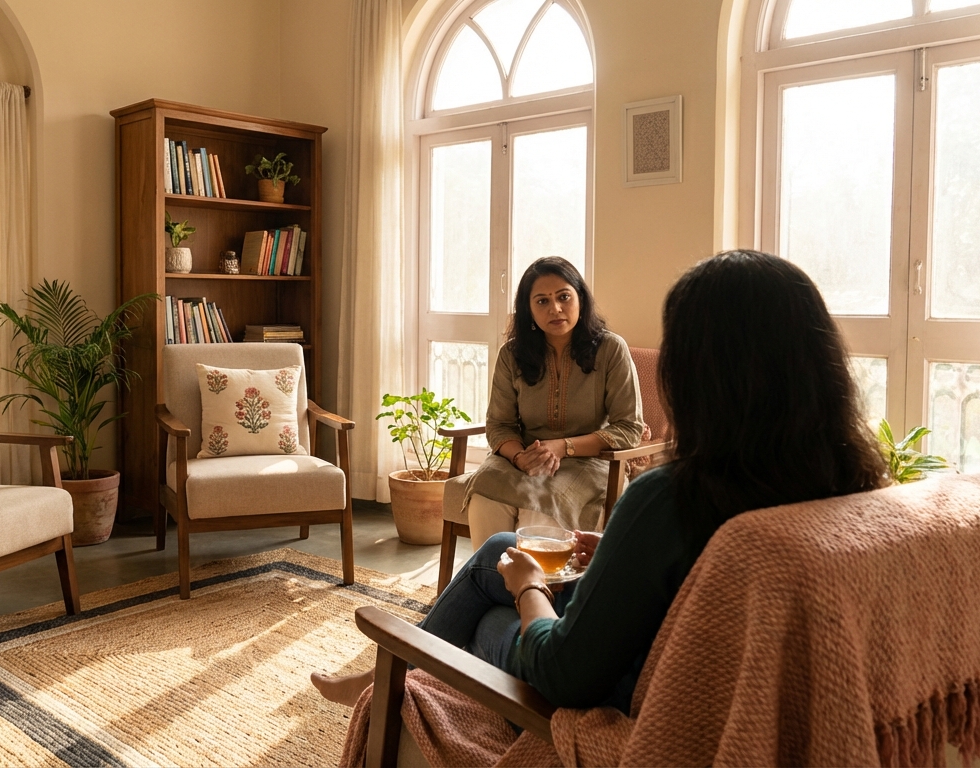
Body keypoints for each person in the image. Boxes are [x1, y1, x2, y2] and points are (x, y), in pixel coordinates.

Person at [312, 250, 887, 712]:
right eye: (542, 300)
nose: (555, 307)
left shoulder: (669, 498)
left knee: (489, 615)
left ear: (699, 375)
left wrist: (529, 590)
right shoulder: (859, 490)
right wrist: (611, 546)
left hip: (627, 687)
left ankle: (400, 675)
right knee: (496, 549)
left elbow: (564, 673)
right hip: (675, 650)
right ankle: (390, 671)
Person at [462, 256, 645, 546]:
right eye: (542, 301)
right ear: (528, 309)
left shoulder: (611, 349)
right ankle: (489, 575)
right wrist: (520, 457)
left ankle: (538, 577)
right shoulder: (511, 355)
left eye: (563, 297)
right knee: (484, 492)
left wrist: (563, 447)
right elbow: (499, 424)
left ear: (580, 298)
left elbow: (629, 428)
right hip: (523, 458)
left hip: (591, 462)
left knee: (541, 508)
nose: (555, 308)